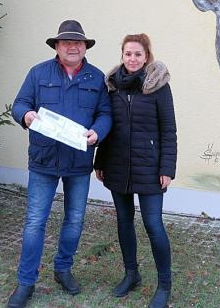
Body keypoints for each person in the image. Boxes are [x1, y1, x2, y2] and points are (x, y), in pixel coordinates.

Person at [6, 20, 112, 308]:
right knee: (34, 223)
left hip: (78, 162)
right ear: (57, 46)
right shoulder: (38, 73)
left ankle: (62, 269)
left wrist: (98, 132)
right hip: (44, 160)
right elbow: (19, 104)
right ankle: (26, 283)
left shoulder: (96, 78)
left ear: (85, 47)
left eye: (78, 43)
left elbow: (105, 114)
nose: (73, 47)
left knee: (75, 220)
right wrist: (25, 115)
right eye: (67, 42)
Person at [94, 33, 177, 308]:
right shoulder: (113, 87)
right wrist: (100, 162)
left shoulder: (158, 87)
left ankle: (164, 285)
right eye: (128, 54)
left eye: (138, 54)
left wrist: (167, 168)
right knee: (123, 222)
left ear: (147, 56)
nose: (132, 59)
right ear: (122, 55)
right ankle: (132, 274)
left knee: (153, 224)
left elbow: (169, 130)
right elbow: (107, 126)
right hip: (117, 166)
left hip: (150, 169)